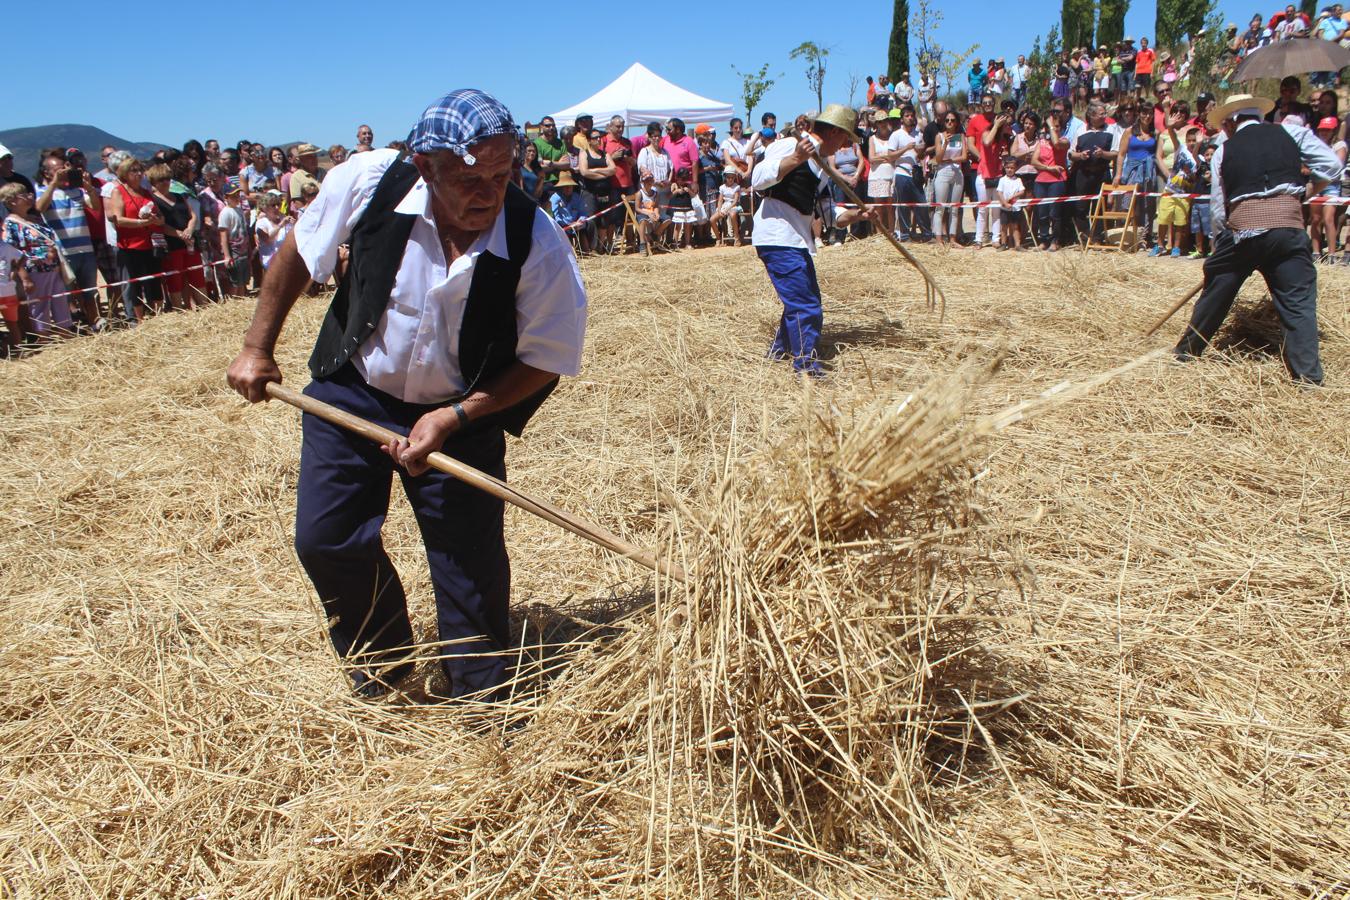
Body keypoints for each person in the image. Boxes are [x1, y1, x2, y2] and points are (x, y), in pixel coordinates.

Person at [226, 89, 586, 700]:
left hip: (461, 411)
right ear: (425, 166)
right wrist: (258, 347)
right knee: (328, 538)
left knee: (467, 561)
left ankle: (481, 696)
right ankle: (384, 671)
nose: (488, 194)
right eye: (470, 179)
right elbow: (299, 252)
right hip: (353, 391)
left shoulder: (536, 240)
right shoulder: (370, 182)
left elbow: (545, 361)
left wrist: (456, 415)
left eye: (502, 176)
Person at [1174, 94, 1343, 385]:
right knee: (1298, 304)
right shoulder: (1292, 132)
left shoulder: (1224, 151)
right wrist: (1307, 191)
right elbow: (1332, 166)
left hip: (1242, 233)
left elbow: (1218, 207)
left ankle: (1187, 352)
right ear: (1259, 115)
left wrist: (1219, 256)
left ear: (1230, 122)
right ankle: (1309, 379)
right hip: (1288, 229)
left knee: (1216, 292)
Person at [751, 105, 861, 376]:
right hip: (777, 238)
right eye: (846, 138)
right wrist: (795, 158)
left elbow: (828, 215)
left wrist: (860, 214)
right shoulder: (791, 144)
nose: (846, 145)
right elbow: (757, 179)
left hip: (797, 241)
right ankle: (806, 366)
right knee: (806, 305)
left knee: (804, 299)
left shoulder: (823, 168)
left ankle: (779, 353)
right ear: (834, 132)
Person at [35, 152, 104, 330]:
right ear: (47, 173)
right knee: (65, 293)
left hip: (85, 248)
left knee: (89, 290)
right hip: (63, 251)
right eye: (59, 169)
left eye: (66, 167)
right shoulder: (42, 191)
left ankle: (94, 321)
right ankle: (68, 326)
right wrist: (53, 184)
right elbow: (39, 208)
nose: (65, 171)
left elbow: (95, 206)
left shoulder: (76, 191)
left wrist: (88, 187)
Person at [2, 183, 73, 338]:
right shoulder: (11, 224)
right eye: (24, 195)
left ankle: (66, 335)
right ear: (11, 201)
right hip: (34, 272)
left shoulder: (34, 219)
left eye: (29, 194)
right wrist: (25, 278)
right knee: (39, 307)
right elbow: (12, 254)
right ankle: (43, 340)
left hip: (53, 269)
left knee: (60, 303)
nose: (30, 197)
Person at [105, 157, 164, 320]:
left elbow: (160, 216)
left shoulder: (146, 192)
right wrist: (141, 222)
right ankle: (139, 320)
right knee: (135, 285)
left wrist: (156, 220)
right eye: (134, 170)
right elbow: (118, 219)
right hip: (130, 246)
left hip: (150, 244)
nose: (138, 174)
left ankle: (159, 318)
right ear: (125, 173)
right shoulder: (118, 191)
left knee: (154, 283)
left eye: (140, 170)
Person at [1069, 102, 1115, 244]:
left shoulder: (1111, 130)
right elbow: (1071, 154)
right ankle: (1083, 236)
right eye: (1101, 114)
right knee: (1080, 207)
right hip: (1083, 174)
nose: (1104, 116)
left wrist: (1103, 154)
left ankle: (1097, 238)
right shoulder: (1081, 130)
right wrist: (1080, 155)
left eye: (1105, 113)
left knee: (1100, 207)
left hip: (1102, 174)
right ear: (1092, 115)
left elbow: (1116, 153)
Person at [1154, 118, 1198, 258]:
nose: (1191, 143)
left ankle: (1176, 247)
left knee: (1180, 222)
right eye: (1189, 140)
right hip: (1170, 190)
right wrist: (1170, 127)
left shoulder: (1199, 158)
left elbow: (1195, 174)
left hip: (1185, 193)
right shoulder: (1181, 149)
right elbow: (1173, 137)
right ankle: (1160, 245)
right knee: (1163, 218)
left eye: (1194, 141)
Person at [1116, 107, 1158, 249]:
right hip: (1132, 171)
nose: (1147, 116)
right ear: (1139, 114)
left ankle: (1144, 237)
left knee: (1148, 205)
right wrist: (1118, 174)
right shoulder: (1129, 131)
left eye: (1150, 114)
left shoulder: (1155, 133)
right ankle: (1127, 235)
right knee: (1127, 203)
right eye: (1144, 113)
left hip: (1149, 171)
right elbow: (1121, 154)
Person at [1311, 116, 1347, 260]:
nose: (1324, 132)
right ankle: (1316, 253)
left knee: (1328, 219)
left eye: (1328, 129)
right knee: (1315, 219)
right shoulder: (1314, 144)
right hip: (1315, 184)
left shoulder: (1340, 145)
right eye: (1322, 129)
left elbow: (1338, 164)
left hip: (1331, 185)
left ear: (1334, 130)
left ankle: (1331, 254)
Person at [889, 106, 928, 240]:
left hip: (916, 173)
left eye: (912, 116)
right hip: (901, 173)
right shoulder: (896, 135)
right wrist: (906, 148)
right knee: (903, 206)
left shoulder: (918, 135)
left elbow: (921, 156)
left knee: (921, 204)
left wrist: (920, 151)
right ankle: (904, 234)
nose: (910, 118)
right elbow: (890, 155)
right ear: (902, 118)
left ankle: (926, 234)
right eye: (907, 116)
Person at [1032, 110, 1069, 251]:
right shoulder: (1041, 143)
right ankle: (1044, 240)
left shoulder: (1065, 141)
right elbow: (1034, 161)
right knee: (1042, 213)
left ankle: (1055, 240)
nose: (1053, 129)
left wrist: (1051, 125)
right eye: (1049, 127)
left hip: (1057, 181)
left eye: (1057, 126)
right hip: (1041, 181)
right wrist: (1048, 168)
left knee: (1055, 213)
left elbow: (1057, 143)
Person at [931, 109, 967, 248]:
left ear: (957, 122)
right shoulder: (939, 136)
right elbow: (938, 159)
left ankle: (952, 239)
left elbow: (964, 157)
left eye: (952, 120)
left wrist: (951, 159)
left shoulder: (961, 136)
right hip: (943, 173)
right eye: (947, 120)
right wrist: (945, 143)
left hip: (957, 172)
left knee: (954, 208)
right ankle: (939, 239)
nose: (950, 123)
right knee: (940, 207)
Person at [866, 110, 896, 238]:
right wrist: (887, 157)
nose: (882, 124)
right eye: (879, 122)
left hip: (891, 174)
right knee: (879, 207)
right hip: (877, 176)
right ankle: (879, 233)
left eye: (884, 121)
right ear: (876, 124)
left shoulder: (893, 136)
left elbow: (894, 156)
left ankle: (891, 232)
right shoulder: (872, 139)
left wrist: (882, 157)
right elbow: (871, 158)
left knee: (890, 207)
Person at [217, 184, 249, 294]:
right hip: (234, 251)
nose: (237, 198)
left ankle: (242, 298)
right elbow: (223, 236)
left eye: (238, 195)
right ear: (226, 198)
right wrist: (227, 255)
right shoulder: (225, 213)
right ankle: (234, 300)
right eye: (233, 196)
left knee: (242, 280)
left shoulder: (239, 210)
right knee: (235, 280)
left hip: (243, 250)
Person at [0, 237, 30, 352]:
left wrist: (15, 270)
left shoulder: (6, 246)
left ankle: (17, 349)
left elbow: (23, 257)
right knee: (12, 323)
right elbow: (23, 256)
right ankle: (16, 349)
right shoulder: (7, 247)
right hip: (9, 290)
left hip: (8, 290)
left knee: (12, 323)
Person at [996, 155, 1027, 250]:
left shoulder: (1018, 180)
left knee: (1015, 227)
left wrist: (1014, 196)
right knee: (1004, 227)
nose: (1010, 170)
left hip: (1015, 208)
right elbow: (999, 192)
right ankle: (1003, 244)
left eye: (1012, 168)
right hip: (1004, 208)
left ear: (1015, 168)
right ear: (1004, 168)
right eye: (1008, 167)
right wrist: (1005, 203)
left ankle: (1017, 245)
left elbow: (1022, 191)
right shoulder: (1002, 180)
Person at [710, 169, 743, 246]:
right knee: (712, 219)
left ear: (734, 177)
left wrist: (727, 209)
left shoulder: (736, 187)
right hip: (725, 206)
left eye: (732, 177)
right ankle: (718, 238)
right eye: (728, 177)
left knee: (732, 215)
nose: (730, 179)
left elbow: (735, 201)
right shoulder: (722, 187)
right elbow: (720, 200)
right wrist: (719, 211)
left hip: (733, 206)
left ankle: (736, 238)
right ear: (725, 177)